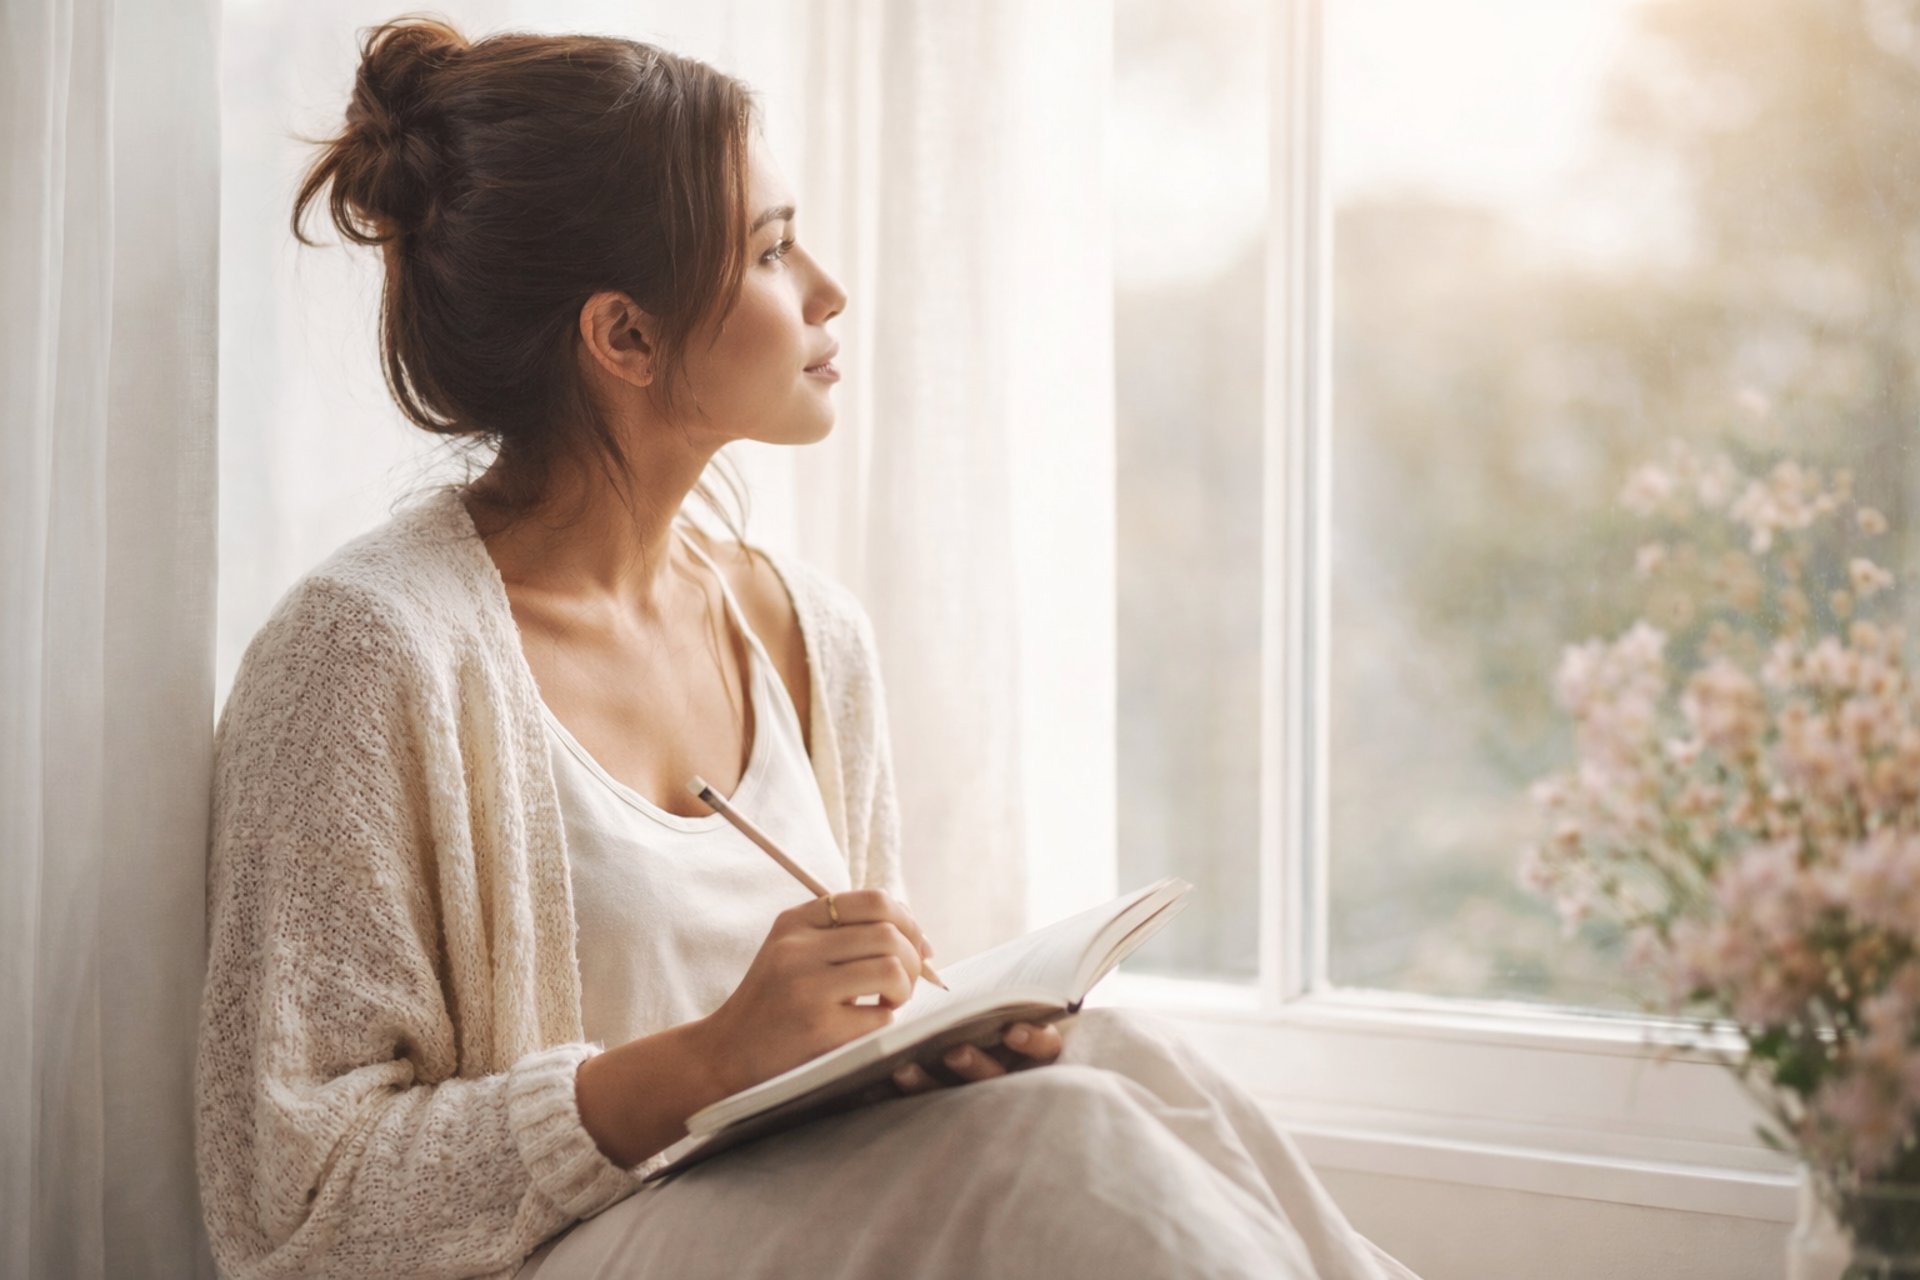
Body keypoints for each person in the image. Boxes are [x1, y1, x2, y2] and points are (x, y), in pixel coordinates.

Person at [193, 15, 1423, 1279]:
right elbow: (299, 1205)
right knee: (1059, 1148)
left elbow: (838, 1067)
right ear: (624, 336)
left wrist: (923, 1047)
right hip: (542, 1257)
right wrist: (708, 1059)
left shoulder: (806, 632)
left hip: (769, 1220)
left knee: (1127, 1066)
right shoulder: (362, 652)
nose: (827, 288)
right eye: (775, 250)